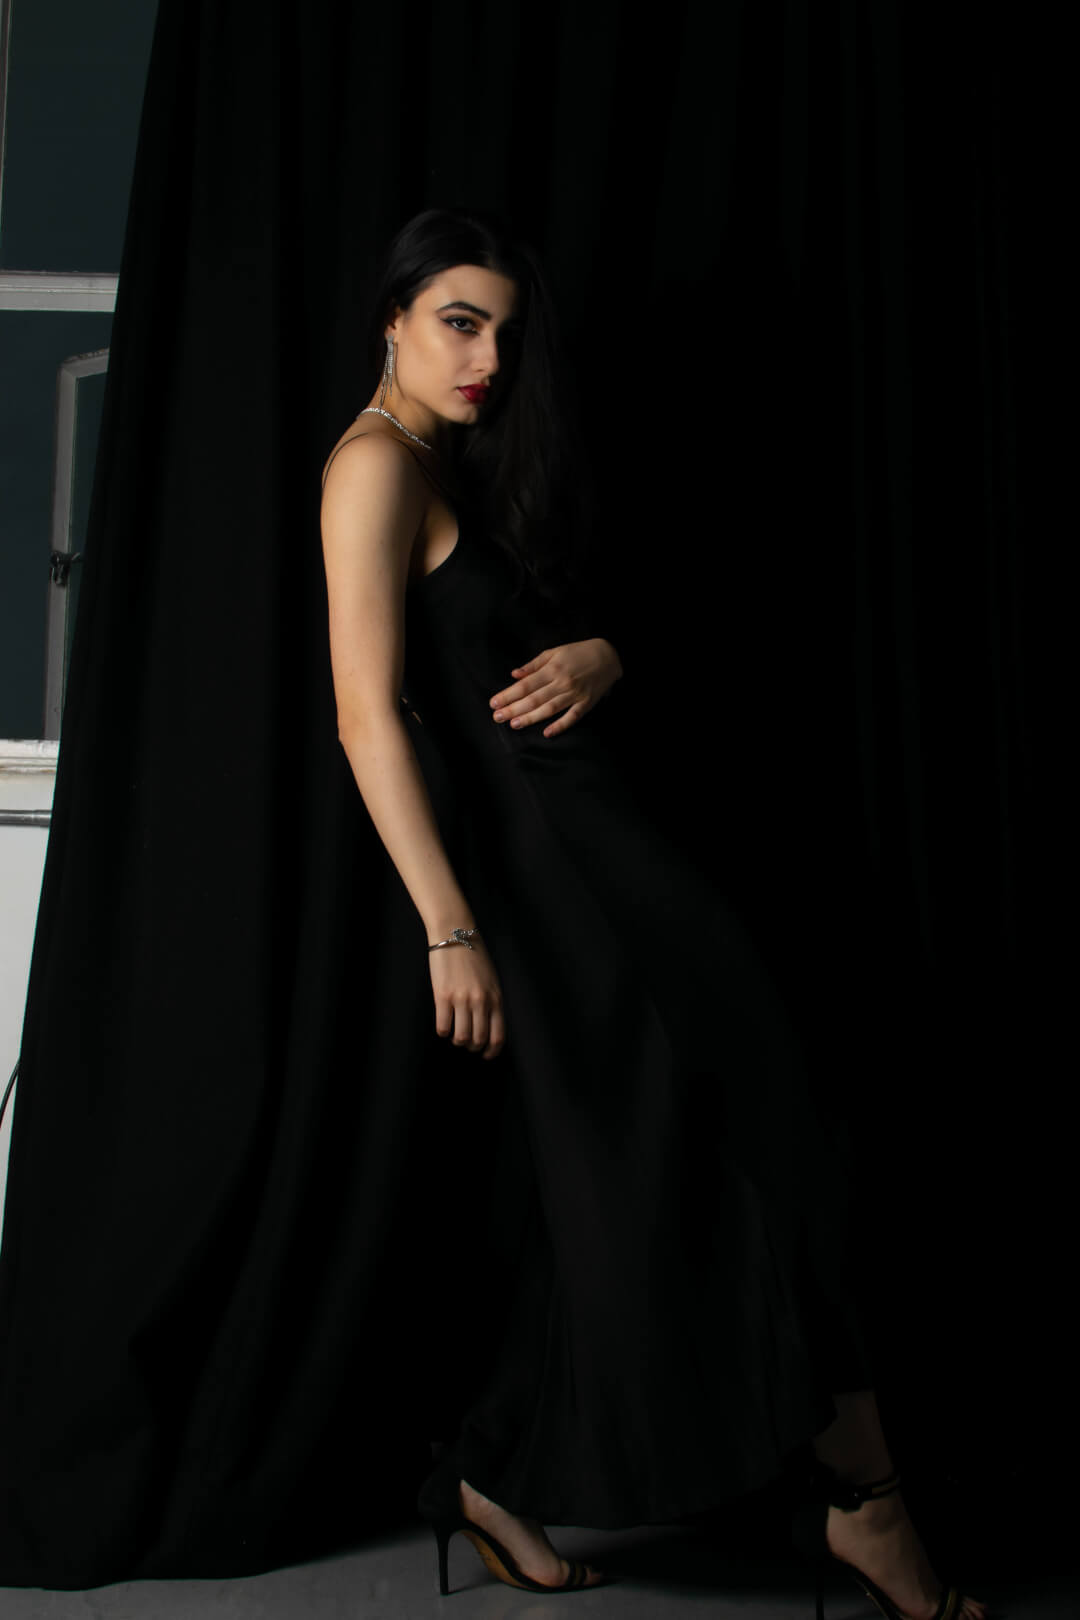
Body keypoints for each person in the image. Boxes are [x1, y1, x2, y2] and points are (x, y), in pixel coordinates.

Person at [319, 205, 987, 1619]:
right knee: (707, 1160)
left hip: (612, 851)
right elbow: (368, 718)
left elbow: (541, 635)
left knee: (696, 1160)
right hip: (551, 886)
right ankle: (868, 1507)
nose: (488, 355)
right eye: (458, 321)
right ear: (391, 317)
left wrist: (609, 651)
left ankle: (503, 1469)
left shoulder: (459, 460)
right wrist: (450, 927)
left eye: (504, 329)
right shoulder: (374, 467)